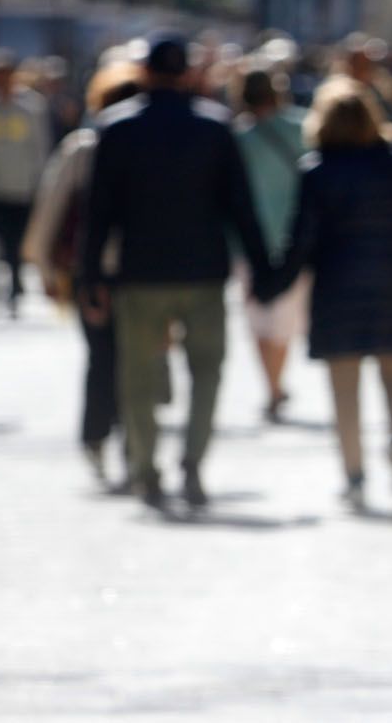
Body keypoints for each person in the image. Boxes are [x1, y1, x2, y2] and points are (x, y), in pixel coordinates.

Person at [79, 34, 273, 510]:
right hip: (203, 271)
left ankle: (146, 470)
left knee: (137, 377)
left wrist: (90, 277)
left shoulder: (117, 128)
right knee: (206, 372)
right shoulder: (214, 128)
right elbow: (241, 209)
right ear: (188, 72)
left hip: (140, 273)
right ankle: (191, 462)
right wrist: (265, 273)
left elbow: (98, 213)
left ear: (145, 72)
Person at [264, 79, 392, 508]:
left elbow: (301, 240)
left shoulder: (316, 172)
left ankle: (354, 476)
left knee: (343, 389)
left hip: (338, 292)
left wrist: (274, 282)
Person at [22, 58, 147, 486]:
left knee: (103, 358)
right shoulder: (146, 146)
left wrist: (44, 268)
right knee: (136, 361)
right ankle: (131, 444)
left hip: (88, 272)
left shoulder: (84, 146)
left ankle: (101, 438)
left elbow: (50, 209)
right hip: (139, 272)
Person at [233, 68, 308, 423]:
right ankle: (275, 386)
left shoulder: (237, 138)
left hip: (249, 241)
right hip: (296, 237)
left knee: (259, 317)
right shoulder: (301, 127)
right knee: (283, 319)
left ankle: (273, 386)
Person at [0, 49, 52, 318]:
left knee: (16, 243)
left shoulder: (32, 107)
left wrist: (41, 185)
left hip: (23, 189)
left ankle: (16, 291)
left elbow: (41, 149)